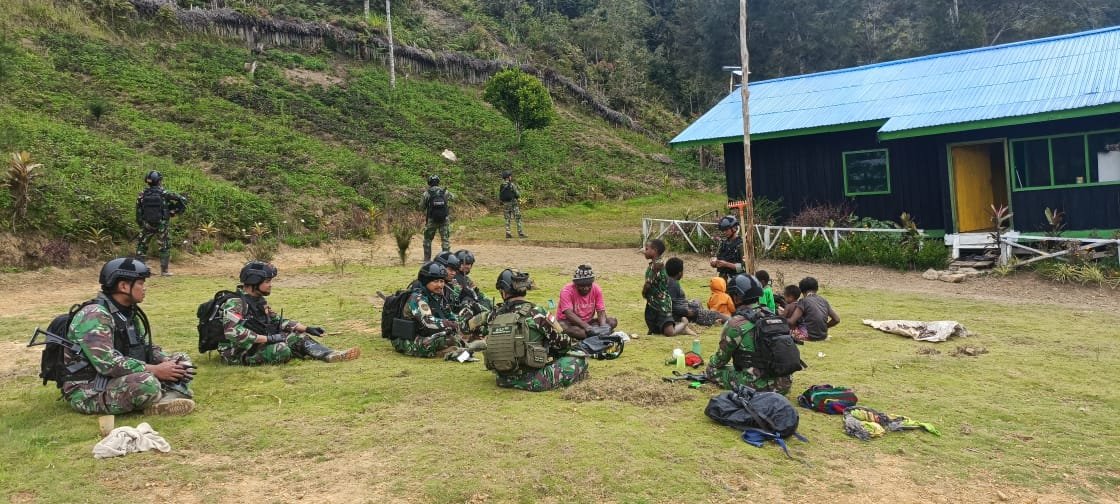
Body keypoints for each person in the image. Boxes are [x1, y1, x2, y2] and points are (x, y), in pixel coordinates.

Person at [60, 257, 195, 415]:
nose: (144, 289)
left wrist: (165, 361)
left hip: (118, 377)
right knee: (146, 383)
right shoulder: (94, 316)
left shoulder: (127, 312)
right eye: (140, 283)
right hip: (89, 388)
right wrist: (156, 370)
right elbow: (107, 364)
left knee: (181, 360)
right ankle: (161, 398)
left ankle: (161, 397)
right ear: (123, 286)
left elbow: (142, 346)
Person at [218, 261, 360, 365]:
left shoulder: (258, 300)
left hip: (257, 343)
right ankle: (246, 361)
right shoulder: (236, 302)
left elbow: (276, 320)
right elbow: (232, 332)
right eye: (267, 281)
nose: (270, 284)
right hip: (237, 351)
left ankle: (329, 355)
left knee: (299, 337)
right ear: (254, 282)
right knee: (282, 350)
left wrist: (306, 328)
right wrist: (269, 339)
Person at [469, 269, 587, 391]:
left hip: (502, 379)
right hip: (533, 380)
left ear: (503, 292)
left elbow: (470, 326)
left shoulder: (493, 315)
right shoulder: (537, 312)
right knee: (578, 361)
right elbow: (562, 343)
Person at [703, 274, 794, 394]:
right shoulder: (773, 316)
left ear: (736, 297)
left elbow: (720, 360)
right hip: (783, 384)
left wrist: (711, 364)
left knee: (711, 370)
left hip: (756, 386)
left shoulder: (736, 323)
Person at [393, 262, 462, 357]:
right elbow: (428, 321)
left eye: (442, 281)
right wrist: (447, 323)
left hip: (426, 335)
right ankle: (448, 353)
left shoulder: (438, 297)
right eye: (435, 281)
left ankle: (456, 353)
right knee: (449, 340)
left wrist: (460, 322)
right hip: (408, 340)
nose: (440, 285)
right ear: (426, 281)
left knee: (455, 338)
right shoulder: (417, 298)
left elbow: (449, 315)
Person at [135, 170, 187, 276]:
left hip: (147, 224)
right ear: (159, 181)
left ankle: (140, 270)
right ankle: (164, 271)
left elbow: (139, 211)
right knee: (164, 246)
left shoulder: (142, 195)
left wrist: (142, 224)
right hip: (162, 224)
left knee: (142, 246)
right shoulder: (164, 193)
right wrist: (174, 211)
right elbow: (183, 200)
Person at [642, 239, 691, 336]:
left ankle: (684, 324)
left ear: (654, 250)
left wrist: (645, 291)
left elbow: (649, 282)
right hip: (652, 303)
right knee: (654, 330)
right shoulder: (654, 264)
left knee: (669, 332)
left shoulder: (658, 265)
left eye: (647, 249)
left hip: (662, 304)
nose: (644, 251)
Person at [557, 264, 618, 340]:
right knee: (569, 329)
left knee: (612, 321)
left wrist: (603, 327)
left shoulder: (596, 289)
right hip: (569, 322)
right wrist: (587, 327)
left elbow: (600, 310)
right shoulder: (566, 291)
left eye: (589, 285)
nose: (586, 288)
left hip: (588, 321)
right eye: (582, 286)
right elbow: (568, 313)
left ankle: (595, 333)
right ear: (576, 284)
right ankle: (593, 334)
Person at [665, 257, 724, 328]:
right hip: (682, 315)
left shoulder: (669, 280)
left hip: (683, 309)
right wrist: (690, 312)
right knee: (716, 314)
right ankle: (734, 322)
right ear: (679, 273)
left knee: (697, 302)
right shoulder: (673, 284)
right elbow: (672, 306)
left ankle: (707, 319)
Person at [785, 276, 840, 342]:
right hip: (823, 336)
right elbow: (836, 319)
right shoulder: (823, 300)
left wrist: (778, 318)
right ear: (816, 289)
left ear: (801, 290)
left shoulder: (804, 301)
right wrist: (824, 327)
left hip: (808, 337)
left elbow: (791, 321)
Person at [420, 174, 454, 262]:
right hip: (444, 219)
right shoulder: (445, 192)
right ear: (438, 182)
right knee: (445, 240)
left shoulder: (426, 193)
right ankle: (446, 259)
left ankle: (427, 260)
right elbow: (453, 197)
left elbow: (421, 207)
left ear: (429, 183)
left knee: (427, 240)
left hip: (432, 220)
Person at [709, 215, 745, 281]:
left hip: (737, 281)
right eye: (723, 230)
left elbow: (743, 268)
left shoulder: (741, 245)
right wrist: (714, 262)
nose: (724, 232)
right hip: (722, 281)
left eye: (726, 230)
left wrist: (727, 264)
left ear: (734, 228)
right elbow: (717, 258)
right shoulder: (723, 243)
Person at [498, 170, 526, 239]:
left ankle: (508, 233)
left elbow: (500, 195)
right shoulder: (511, 184)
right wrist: (518, 196)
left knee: (507, 219)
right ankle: (520, 233)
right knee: (518, 218)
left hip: (505, 205)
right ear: (508, 177)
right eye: (510, 176)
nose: (511, 177)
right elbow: (517, 194)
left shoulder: (501, 185)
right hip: (513, 204)